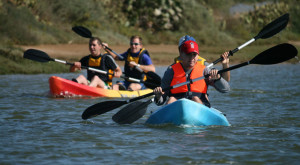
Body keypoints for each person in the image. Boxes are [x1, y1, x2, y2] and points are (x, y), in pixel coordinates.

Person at [153, 38, 230, 108]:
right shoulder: (171, 70)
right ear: (181, 54)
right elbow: (160, 102)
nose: (192, 58)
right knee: (171, 99)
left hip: (200, 103)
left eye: (194, 55)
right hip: (177, 106)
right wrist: (158, 96)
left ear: (198, 56)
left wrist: (218, 79)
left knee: (195, 98)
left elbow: (225, 89)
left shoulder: (205, 70)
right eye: (188, 54)